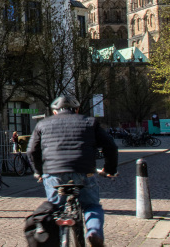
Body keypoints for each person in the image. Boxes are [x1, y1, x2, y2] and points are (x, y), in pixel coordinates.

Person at [26, 95, 118, 247]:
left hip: (54, 173)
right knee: (91, 205)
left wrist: (39, 172)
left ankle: (55, 235)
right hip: (84, 171)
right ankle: (94, 231)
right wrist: (110, 169)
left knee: (55, 208)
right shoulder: (90, 122)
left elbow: (31, 151)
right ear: (77, 110)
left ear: (54, 112)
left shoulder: (42, 124)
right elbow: (110, 147)